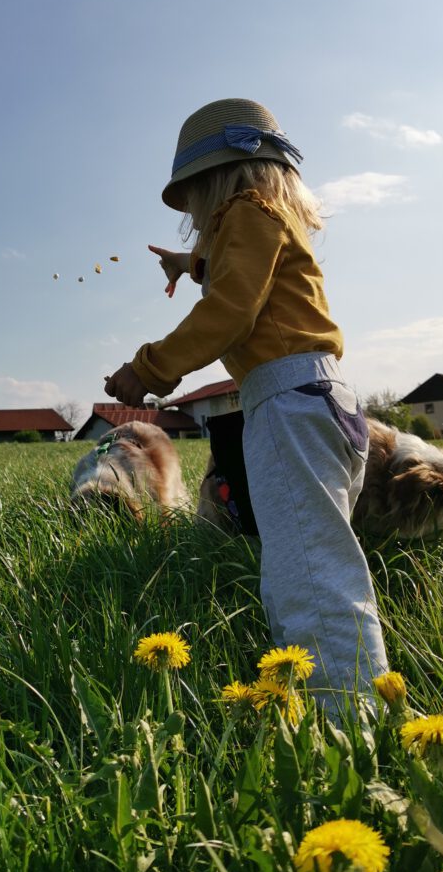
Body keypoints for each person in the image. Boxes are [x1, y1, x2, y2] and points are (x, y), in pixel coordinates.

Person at [104, 98, 389, 715]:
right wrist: (191, 263)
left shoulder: (246, 214)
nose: (198, 218)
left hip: (290, 404)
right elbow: (236, 271)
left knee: (311, 577)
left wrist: (148, 367)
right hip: (313, 401)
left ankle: (348, 726)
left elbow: (231, 308)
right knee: (311, 565)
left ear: (214, 183)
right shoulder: (267, 219)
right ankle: (342, 706)